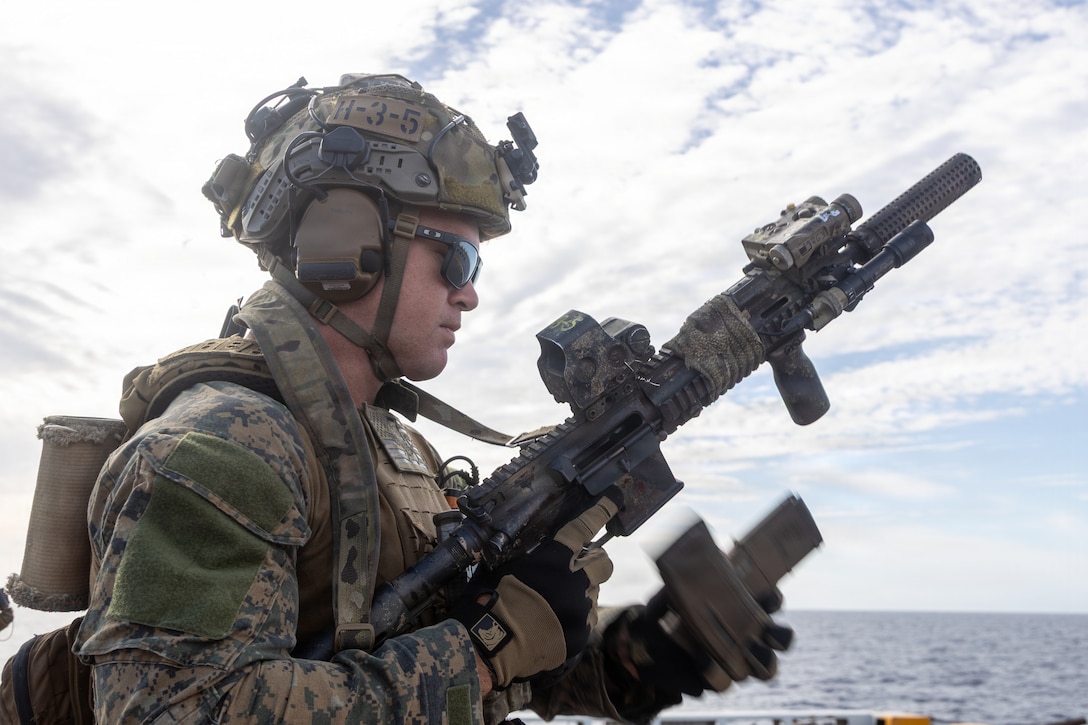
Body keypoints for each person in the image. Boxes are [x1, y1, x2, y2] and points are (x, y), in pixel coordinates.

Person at [71, 73, 786, 724]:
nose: (469, 291)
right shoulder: (221, 447)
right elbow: (176, 712)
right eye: (456, 258)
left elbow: (436, 666)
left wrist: (639, 653)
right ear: (346, 239)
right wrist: (484, 648)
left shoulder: (394, 450)